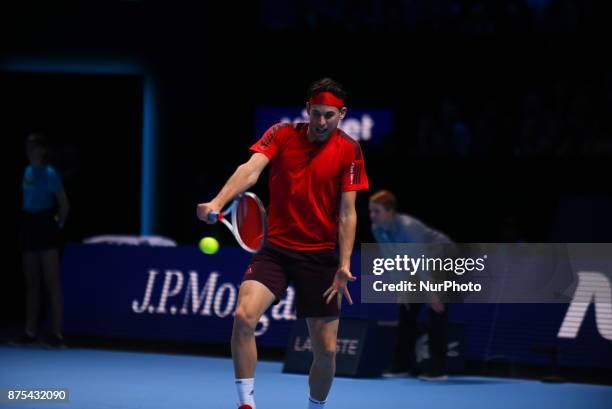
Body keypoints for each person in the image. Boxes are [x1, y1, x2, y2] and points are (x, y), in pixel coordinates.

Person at [197, 78, 368, 409]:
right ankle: (246, 404)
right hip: (274, 250)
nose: (321, 122)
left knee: (327, 351)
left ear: (341, 114)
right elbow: (250, 170)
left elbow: (348, 214)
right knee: (244, 317)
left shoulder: (349, 150)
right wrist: (217, 202)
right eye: (316, 114)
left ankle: (315, 406)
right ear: (307, 109)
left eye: (329, 116)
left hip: (320, 256)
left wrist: (344, 264)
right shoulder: (281, 134)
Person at [369, 189, 451, 381]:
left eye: (377, 211)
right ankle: (401, 365)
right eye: (371, 211)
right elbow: (392, 259)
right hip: (417, 264)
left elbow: (420, 263)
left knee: (437, 311)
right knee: (406, 310)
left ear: (390, 211)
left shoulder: (408, 227)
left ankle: (438, 370)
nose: (372, 216)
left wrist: (432, 294)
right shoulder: (377, 228)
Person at [18, 133, 70, 348]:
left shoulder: (50, 174)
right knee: (31, 282)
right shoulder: (27, 171)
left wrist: (56, 226)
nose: (28, 150)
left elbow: (64, 205)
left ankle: (57, 333)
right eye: (27, 146)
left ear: (41, 150)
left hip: (45, 225)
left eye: (32, 147)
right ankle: (30, 332)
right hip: (29, 224)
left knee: (52, 281)